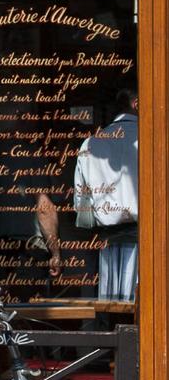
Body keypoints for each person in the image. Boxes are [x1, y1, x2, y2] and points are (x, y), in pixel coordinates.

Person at [73, 88, 140, 302]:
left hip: (107, 241)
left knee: (110, 307)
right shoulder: (153, 138)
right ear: (136, 104)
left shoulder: (91, 143)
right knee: (145, 307)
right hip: (145, 240)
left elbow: (80, 204)